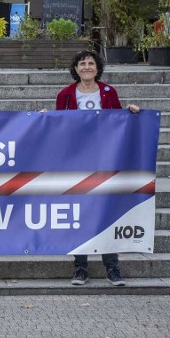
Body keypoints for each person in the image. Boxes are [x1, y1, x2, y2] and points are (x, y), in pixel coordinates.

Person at [55, 49, 139, 287]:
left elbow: (120, 122)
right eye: (82, 64)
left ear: (97, 67)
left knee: (106, 213)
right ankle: (80, 269)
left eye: (91, 63)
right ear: (76, 68)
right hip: (77, 162)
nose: (86, 67)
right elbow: (57, 125)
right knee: (79, 214)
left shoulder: (109, 92)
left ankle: (112, 268)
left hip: (105, 161)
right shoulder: (66, 94)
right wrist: (43, 119)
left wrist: (131, 112)